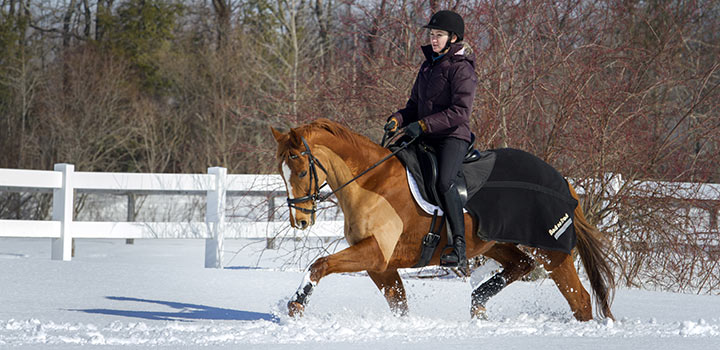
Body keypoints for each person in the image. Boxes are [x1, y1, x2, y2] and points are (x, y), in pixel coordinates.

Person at [384, 10, 478, 269]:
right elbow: (414, 105)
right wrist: (398, 119)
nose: (433, 39)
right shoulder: (428, 66)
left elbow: (460, 112)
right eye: (432, 35)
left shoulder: (462, 69)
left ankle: (458, 245)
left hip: (452, 137)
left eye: (438, 35)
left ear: (453, 38)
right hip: (425, 135)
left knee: (445, 181)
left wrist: (423, 124)